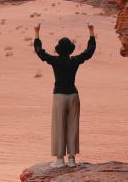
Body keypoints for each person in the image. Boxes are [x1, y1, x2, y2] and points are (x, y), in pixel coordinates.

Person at [33, 22, 96, 168]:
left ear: (59, 50)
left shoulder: (55, 61)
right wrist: (91, 32)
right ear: (70, 50)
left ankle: (60, 159)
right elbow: (90, 51)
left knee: (59, 125)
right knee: (73, 125)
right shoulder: (74, 60)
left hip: (59, 96)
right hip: (73, 95)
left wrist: (36, 33)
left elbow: (40, 52)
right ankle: (72, 159)